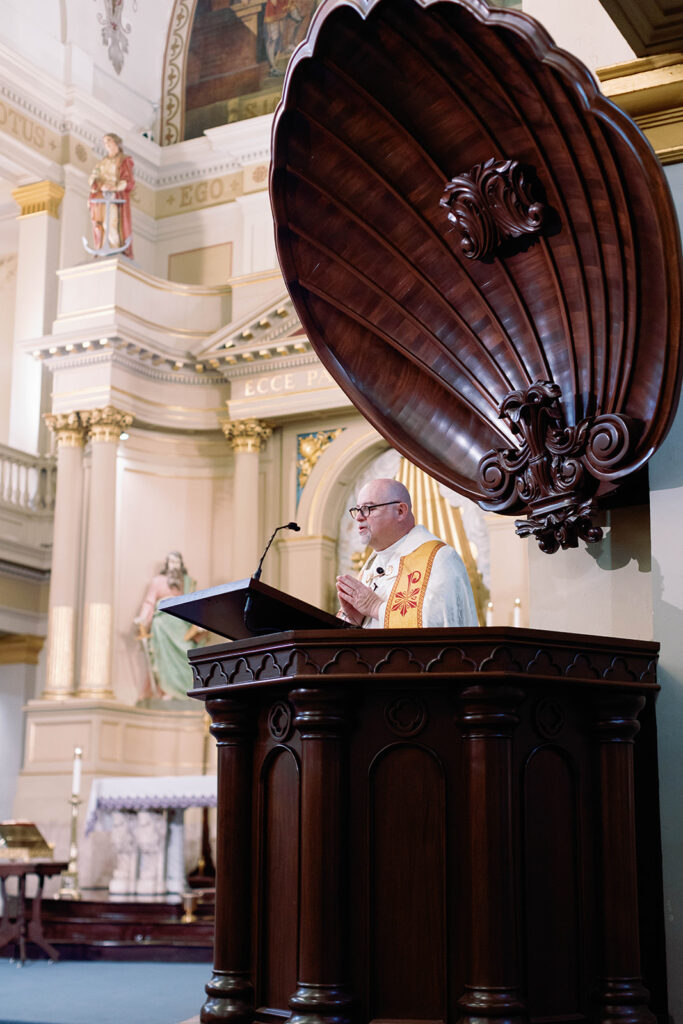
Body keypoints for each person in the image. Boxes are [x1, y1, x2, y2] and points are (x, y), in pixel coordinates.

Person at [336, 478, 478, 628]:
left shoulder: (439, 558)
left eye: (368, 508)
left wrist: (376, 608)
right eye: (357, 509)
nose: (358, 517)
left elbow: (439, 626)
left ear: (400, 511)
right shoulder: (372, 565)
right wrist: (353, 621)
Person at [135, 551, 204, 699]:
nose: (174, 566)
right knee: (164, 658)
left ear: (181, 565)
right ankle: (167, 690)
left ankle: (184, 690)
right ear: (167, 565)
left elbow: (194, 602)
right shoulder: (158, 581)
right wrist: (143, 619)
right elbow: (149, 602)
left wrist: (199, 623)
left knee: (185, 654)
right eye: (171, 562)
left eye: (177, 563)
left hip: (181, 625)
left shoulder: (187, 582)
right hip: (162, 626)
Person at [88, 132, 135, 257]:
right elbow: (93, 178)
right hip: (101, 196)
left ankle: (115, 248)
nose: (106, 144)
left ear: (116, 142)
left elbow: (128, 180)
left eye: (109, 140)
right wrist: (99, 184)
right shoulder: (102, 163)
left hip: (114, 197)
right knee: (101, 224)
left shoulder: (123, 161)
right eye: (105, 142)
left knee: (111, 223)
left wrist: (115, 187)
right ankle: (103, 247)